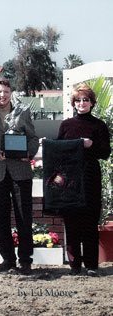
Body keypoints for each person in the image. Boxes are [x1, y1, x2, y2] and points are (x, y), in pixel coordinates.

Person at [0, 77, 39, 275]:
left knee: (23, 217)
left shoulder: (23, 111)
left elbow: (32, 138)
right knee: (1, 218)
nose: (2, 95)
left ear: (11, 92)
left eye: (5, 91)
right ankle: (7, 260)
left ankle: (25, 260)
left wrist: (28, 154)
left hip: (20, 172)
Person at [57, 83, 111, 277]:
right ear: (73, 103)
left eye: (85, 100)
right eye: (78, 100)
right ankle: (74, 265)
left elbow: (105, 153)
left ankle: (91, 265)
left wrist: (92, 144)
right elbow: (57, 151)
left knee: (89, 222)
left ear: (91, 103)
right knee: (71, 223)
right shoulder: (66, 125)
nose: (82, 103)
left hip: (90, 178)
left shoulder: (99, 125)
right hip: (70, 180)